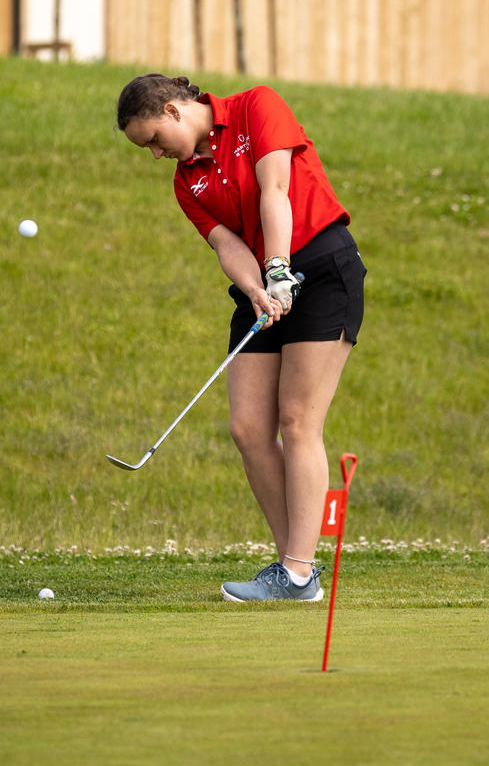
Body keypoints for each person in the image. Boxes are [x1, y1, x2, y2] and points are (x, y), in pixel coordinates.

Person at [116, 75, 366, 602]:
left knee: (298, 420)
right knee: (249, 428)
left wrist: (278, 268)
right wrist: (257, 286)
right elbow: (227, 246)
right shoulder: (188, 182)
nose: (158, 155)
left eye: (155, 140)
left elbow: (275, 189)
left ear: (173, 109)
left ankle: (297, 572)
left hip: (321, 269)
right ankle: (292, 569)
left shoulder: (257, 106)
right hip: (262, 288)